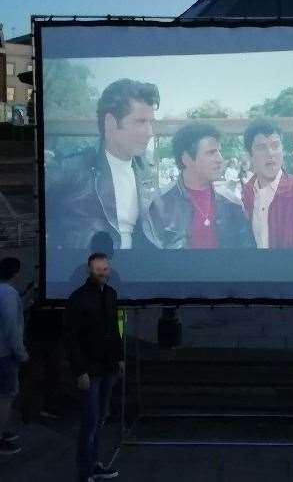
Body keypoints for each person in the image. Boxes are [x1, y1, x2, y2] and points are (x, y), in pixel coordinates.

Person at [47, 78, 163, 252]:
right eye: (140, 122)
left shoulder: (145, 171)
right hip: (88, 272)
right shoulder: (71, 169)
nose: (150, 132)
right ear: (110, 123)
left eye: (150, 122)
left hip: (139, 271)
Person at [64, 252, 125, 481]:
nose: (103, 273)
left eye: (105, 269)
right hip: (90, 369)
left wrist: (119, 358)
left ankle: (95, 463)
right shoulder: (78, 299)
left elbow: (114, 330)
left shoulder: (111, 294)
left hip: (108, 366)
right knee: (90, 421)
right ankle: (85, 470)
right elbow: (70, 338)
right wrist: (80, 371)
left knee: (100, 418)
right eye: (99, 269)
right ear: (90, 271)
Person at [155, 122, 254, 249]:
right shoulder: (158, 205)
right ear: (186, 159)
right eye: (211, 152)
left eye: (219, 151)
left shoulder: (232, 204)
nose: (220, 159)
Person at [240, 119, 293, 248]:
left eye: (275, 146)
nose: (270, 153)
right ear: (250, 155)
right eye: (261, 148)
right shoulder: (247, 193)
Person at [0, 256, 29, 455]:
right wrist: (21, 352)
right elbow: (11, 327)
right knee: (6, 395)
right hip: (4, 352)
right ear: (16, 273)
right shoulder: (8, 295)